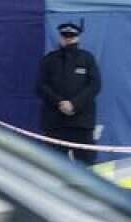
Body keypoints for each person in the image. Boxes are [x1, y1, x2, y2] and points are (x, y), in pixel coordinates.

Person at [36, 22, 102, 164]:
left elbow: (94, 85)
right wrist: (60, 103)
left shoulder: (87, 58)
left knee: (87, 167)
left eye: (72, 36)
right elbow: (40, 86)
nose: (68, 39)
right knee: (54, 166)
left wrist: (74, 104)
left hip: (81, 124)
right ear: (60, 37)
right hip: (55, 124)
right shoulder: (49, 59)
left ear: (78, 38)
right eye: (65, 36)